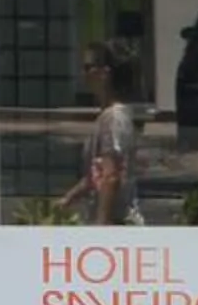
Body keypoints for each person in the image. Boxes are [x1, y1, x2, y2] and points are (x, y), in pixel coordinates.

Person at [60, 40, 143, 224]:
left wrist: (101, 225)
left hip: (118, 223)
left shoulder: (113, 118)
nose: (84, 74)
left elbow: (111, 176)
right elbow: (96, 174)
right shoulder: (108, 116)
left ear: (104, 73)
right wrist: (69, 198)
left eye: (88, 67)